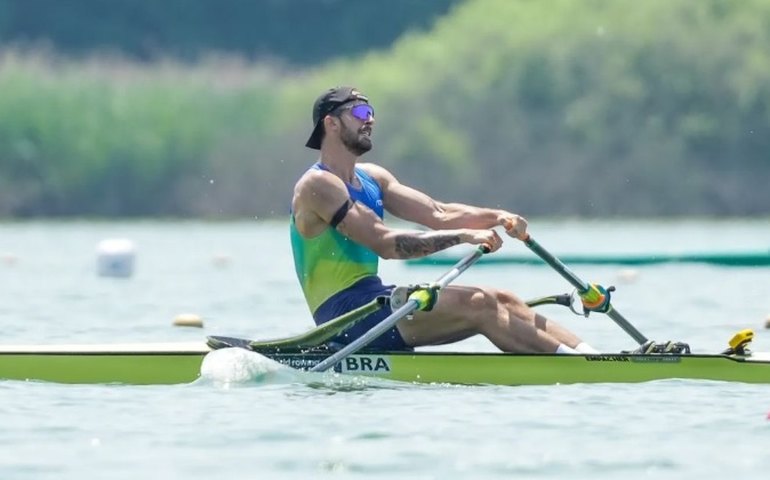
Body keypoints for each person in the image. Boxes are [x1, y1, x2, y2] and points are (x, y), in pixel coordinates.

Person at [290, 86, 597, 354]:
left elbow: (438, 213)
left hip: (376, 300)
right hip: (345, 318)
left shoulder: (373, 178)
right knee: (481, 303)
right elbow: (386, 244)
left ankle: (591, 356)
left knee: (501, 297)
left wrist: (498, 217)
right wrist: (463, 237)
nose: (369, 119)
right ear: (330, 123)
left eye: (371, 111)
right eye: (359, 111)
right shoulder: (318, 185)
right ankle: (576, 365)